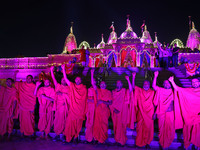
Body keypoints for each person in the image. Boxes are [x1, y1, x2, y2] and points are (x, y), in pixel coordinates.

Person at [168, 76, 200, 150]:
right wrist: (172, 81)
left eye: (196, 82)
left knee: (198, 134)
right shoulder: (189, 90)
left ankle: (198, 147)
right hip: (188, 115)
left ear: (199, 82)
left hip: (198, 117)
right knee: (187, 133)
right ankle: (187, 146)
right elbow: (178, 89)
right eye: (193, 82)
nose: (194, 83)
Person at [61, 64, 87, 144]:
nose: (78, 81)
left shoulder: (84, 88)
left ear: (81, 81)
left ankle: (76, 137)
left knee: (78, 125)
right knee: (69, 123)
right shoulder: (72, 86)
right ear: (75, 80)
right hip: (73, 109)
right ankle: (68, 137)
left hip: (80, 110)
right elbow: (66, 79)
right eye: (77, 79)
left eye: (79, 80)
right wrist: (63, 69)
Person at [152, 71, 175, 149]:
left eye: (168, 83)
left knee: (170, 128)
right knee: (161, 129)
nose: (166, 84)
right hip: (161, 113)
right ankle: (162, 144)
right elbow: (154, 86)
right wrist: (155, 76)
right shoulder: (160, 90)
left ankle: (168, 143)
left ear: (170, 84)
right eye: (165, 83)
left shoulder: (173, 91)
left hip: (170, 113)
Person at [132, 76, 155, 149]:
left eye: (147, 84)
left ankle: (147, 143)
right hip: (141, 113)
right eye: (144, 84)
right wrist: (133, 77)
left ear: (149, 85)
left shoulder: (152, 92)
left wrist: (155, 113)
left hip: (149, 114)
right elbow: (133, 87)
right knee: (139, 128)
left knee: (149, 129)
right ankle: (138, 142)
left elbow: (155, 104)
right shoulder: (140, 90)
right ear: (143, 85)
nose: (146, 85)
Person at [110, 75, 133, 146]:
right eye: (117, 83)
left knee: (123, 126)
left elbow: (131, 90)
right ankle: (117, 140)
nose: (119, 84)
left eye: (120, 83)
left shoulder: (124, 91)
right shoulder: (113, 92)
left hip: (123, 112)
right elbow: (110, 102)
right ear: (116, 84)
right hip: (115, 112)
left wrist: (128, 80)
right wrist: (113, 109)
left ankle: (122, 141)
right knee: (116, 126)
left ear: (122, 84)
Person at [92, 71, 112, 144]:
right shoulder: (98, 90)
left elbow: (110, 102)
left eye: (104, 84)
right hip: (98, 110)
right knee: (97, 124)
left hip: (105, 111)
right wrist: (91, 73)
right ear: (99, 85)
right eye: (101, 84)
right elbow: (93, 84)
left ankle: (102, 139)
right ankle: (96, 138)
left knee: (104, 125)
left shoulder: (108, 92)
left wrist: (103, 102)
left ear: (106, 85)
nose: (103, 85)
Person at [50, 66, 70, 141]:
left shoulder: (69, 88)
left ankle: (63, 135)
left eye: (65, 80)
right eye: (62, 80)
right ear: (61, 81)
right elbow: (53, 79)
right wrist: (51, 70)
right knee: (57, 120)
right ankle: (58, 134)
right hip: (58, 107)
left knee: (65, 120)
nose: (64, 81)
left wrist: (62, 94)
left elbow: (70, 97)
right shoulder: (58, 86)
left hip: (65, 107)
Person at [85, 69, 97, 143]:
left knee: (93, 122)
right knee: (88, 122)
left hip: (94, 107)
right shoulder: (88, 89)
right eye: (93, 80)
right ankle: (88, 137)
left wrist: (92, 73)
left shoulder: (96, 89)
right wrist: (88, 100)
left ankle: (94, 137)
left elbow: (96, 99)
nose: (93, 82)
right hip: (88, 107)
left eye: (94, 81)